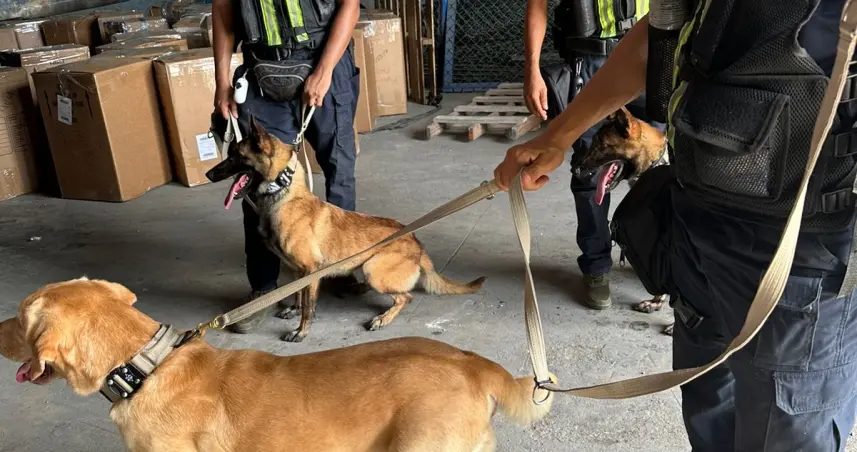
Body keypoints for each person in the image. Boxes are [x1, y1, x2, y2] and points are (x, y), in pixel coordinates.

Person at [497, 1, 857, 450]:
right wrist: (557, 135)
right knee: (710, 415)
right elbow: (657, 35)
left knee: (784, 436)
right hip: (697, 236)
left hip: (799, 257)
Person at [212, 0, 361, 333]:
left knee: (339, 172)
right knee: (258, 179)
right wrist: (222, 81)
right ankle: (263, 288)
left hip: (325, 60)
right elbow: (222, 11)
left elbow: (349, 5)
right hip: (262, 71)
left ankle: (339, 268)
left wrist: (324, 70)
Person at [523, 0, 663, 309]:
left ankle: (653, 259)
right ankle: (596, 266)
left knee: (660, 172)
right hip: (592, 59)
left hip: (653, 52)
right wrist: (531, 69)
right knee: (589, 169)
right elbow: (537, 4)